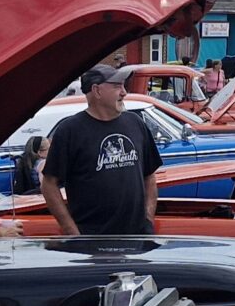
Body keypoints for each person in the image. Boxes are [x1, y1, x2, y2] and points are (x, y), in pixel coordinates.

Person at [42, 68, 162, 235]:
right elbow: (49, 185)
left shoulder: (136, 123)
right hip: (92, 243)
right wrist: (72, 231)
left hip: (137, 238)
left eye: (124, 85)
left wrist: (148, 219)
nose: (124, 92)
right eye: (117, 86)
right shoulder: (70, 131)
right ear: (96, 91)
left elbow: (149, 176)